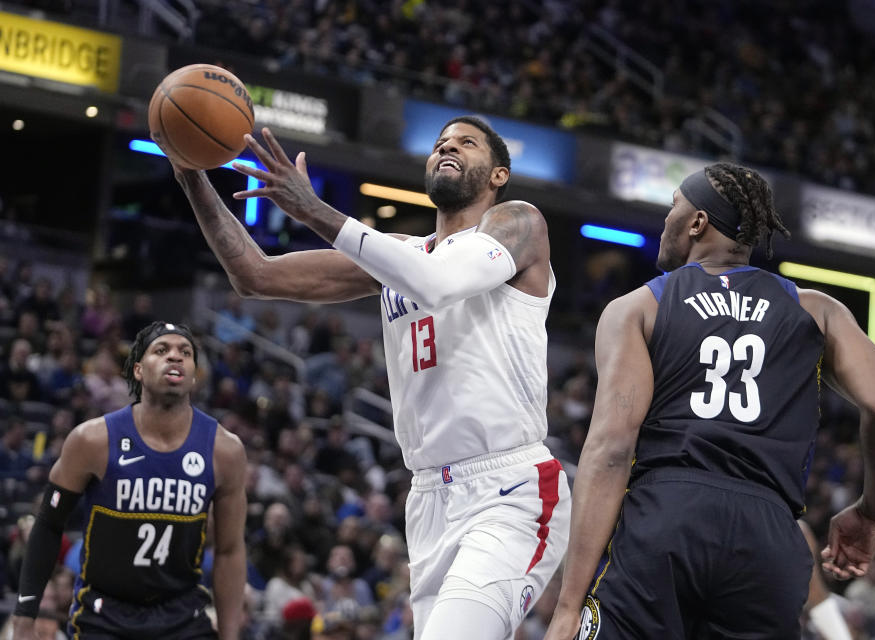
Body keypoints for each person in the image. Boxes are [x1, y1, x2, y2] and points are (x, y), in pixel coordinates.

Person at [159, 118, 571, 639]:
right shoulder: (400, 255)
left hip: (510, 488)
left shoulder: (519, 223)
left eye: (466, 143)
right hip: (429, 497)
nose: (447, 146)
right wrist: (191, 175)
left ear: (498, 175)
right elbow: (255, 274)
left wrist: (313, 209)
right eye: (440, 141)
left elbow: (438, 283)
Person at [543, 163, 875, 639]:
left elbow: (611, 448)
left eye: (674, 203)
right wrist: (871, 511)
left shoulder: (639, 307)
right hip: (768, 536)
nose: (668, 216)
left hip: (667, 515)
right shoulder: (817, 309)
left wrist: (569, 605)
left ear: (697, 223)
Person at [11, 321, 248, 639]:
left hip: (182, 618)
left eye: (185, 352)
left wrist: (230, 636)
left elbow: (230, 550)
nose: (175, 357)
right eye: (162, 350)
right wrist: (25, 617)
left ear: (193, 374)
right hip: (103, 616)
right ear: (138, 370)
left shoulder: (225, 450)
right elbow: (48, 524)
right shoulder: (92, 440)